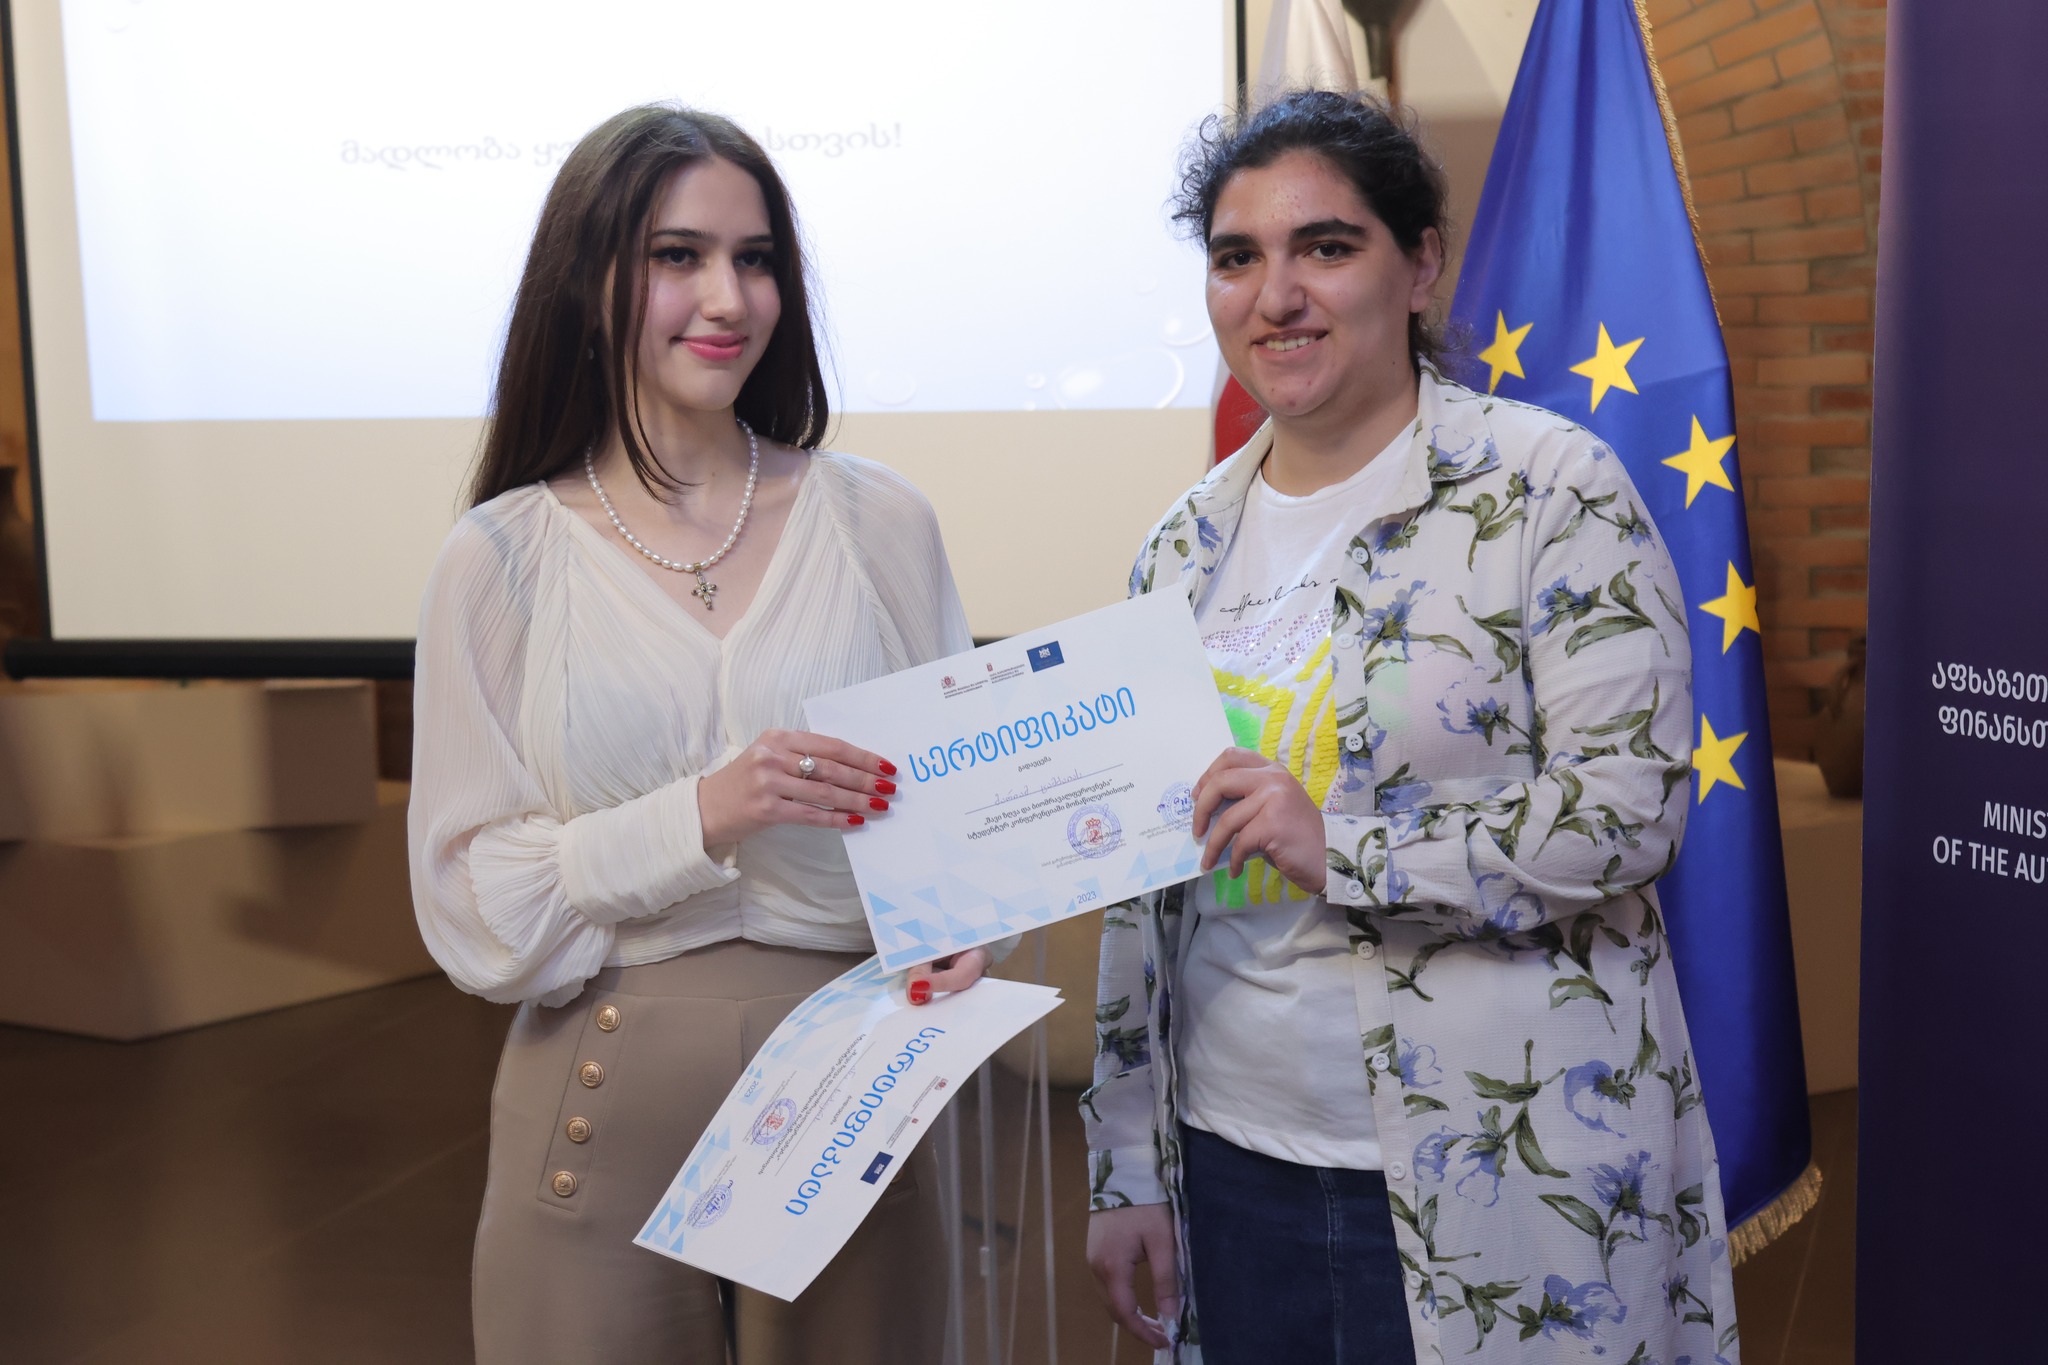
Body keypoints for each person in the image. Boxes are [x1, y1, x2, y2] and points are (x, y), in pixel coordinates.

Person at [1082, 90, 1738, 1365]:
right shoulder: (1180, 545)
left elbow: (1627, 812)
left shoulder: (1548, 490)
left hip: (1501, 1162)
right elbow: (1138, 886)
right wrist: (1124, 1163)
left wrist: (1340, 847)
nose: (1276, 295)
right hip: (1230, 1158)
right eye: (1236, 256)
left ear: (1419, 264)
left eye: (1325, 246)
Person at [408, 105, 988, 1365]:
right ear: (588, 281)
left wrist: (968, 916)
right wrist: (706, 813)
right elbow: (475, 908)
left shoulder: (878, 521)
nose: (728, 298)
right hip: (598, 1093)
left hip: (854, 1098)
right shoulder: (500, 557)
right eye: (677, 256)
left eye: (755, 258)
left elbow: (957, 816)